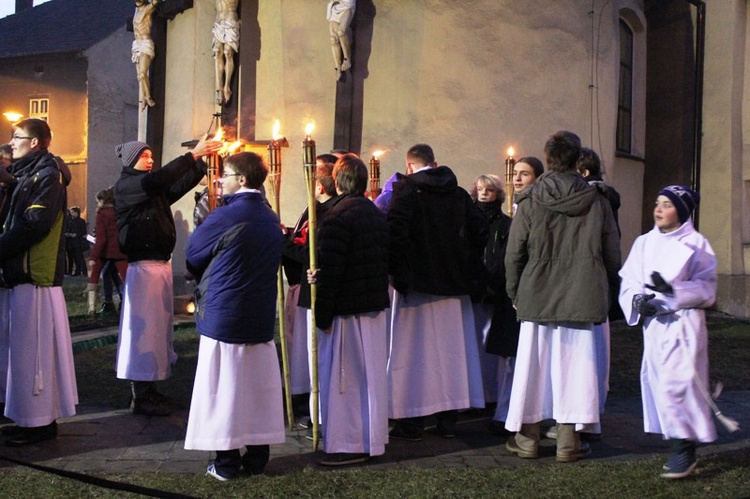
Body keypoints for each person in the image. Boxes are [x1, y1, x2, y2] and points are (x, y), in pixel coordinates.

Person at [503, 131, 620, 463]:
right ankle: (569, 440)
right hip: (582, 291)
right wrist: (607, 289)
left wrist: (514, 291)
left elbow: (514, 254)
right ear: (576, 158)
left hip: (537, 292)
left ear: (548, 157)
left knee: (532, 368)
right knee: (576, 369)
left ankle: (527, 439)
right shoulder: (596, 201)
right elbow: (612, 252)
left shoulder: (530, 201)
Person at [184, 152, 285, 480]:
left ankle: (225, 463)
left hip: (225, 314)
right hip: (258, 317)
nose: (219, 180)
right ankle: (257, 460)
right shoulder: (270, 216)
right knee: (256, 391)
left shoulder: (226, 215)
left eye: (225, 175)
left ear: (241, 180)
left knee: (222, 391)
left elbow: (193, 253)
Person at [114, 136, 222, 417]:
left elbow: (177, 185)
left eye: (151, 155)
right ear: (130, 161)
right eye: (144, 156)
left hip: (159, 268)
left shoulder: (151, 189)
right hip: (143, 271)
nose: (150, 159)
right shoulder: (129, 186)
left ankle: (152, 389)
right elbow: (159, 181)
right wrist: (192, 155)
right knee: (144, 332)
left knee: (158, 332)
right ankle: (141, 394)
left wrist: (200, 163)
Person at [387, 144, 488, 441]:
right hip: (454, 287)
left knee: (414, 354)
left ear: (409, 165)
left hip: (417, 286)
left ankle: (413, 420)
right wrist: (464, 259)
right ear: (435, 163)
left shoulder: (406, 191)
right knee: (452, 354)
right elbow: (480, 229)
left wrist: (399, 272)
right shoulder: (457, 193)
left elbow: (395, 233)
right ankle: (448, 420)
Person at [619, 185, 717, 479]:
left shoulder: (696, 244)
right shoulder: (644, 243)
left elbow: (707, 287)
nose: (658, 209)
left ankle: (683, 449)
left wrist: (674, 292)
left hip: (683, 325)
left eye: (667, 205)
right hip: (656, 328)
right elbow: (630, 280)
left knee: (679, 384)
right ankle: (679, 443)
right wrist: (637, 301)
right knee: (661, 384)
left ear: (682, 211)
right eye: (657, 203)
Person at [306, 154, 390, 466]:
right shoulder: (374, 212)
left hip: (347, 311)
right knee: (369, 378)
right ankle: (372, 437)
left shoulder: (338, 217)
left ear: (338, 181)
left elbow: (337, 268)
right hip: (371, 305)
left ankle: (348, 443)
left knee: (345, 380)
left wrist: (322, 314)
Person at [0, 118, 78, 446]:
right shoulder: (26, 174)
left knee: (34, 359)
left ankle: (40, 423)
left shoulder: (48, 175)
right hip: (19, 277)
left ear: (35, 143)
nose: (11, 141)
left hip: (35, 279)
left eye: (17, 137)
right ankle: (25, 417)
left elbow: (35, 224)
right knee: (19, 356)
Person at [281, 154, 339, 425]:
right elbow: (304, 236)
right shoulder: (313, 206)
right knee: (299, 345)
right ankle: (300, 393)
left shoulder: (329, 211)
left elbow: (312, 251)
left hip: (312, 286)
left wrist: (283, 243)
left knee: (310, 348)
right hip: (299, 285)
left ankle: (308, 399)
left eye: (313, 173)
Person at [469, 174, 519, 433]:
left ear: (498, 193)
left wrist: (492, 280)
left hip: (495, 291)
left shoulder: (506, 224)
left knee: (493, 348)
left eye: (488, 189)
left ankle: (491, 395)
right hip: (474, 290)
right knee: (474, 343)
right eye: (479, 189)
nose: (483, 193)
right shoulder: (469, 220)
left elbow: (505, 257)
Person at [87, 188, 128, 315]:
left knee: (96, 276)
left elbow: (102, 238)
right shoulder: (119, 212)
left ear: (101, 201)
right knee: (116, 275)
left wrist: (93, 256)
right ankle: (125, 300)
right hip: (120, 250)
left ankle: (94, 307)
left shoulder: (102, 215)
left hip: (105, 252)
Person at [132, 0, 160, 111]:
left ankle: (148, 97)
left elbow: (155, 2)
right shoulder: (136, 11)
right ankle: (143, 99)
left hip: (145, 43)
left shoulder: (147, 9)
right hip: (137, 44)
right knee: (139, 77)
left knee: (143, 74)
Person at [213, 0, 240, 105]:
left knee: (228, 52)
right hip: (218, 18)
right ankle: (218, 87)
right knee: (217, 52)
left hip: (230, 16)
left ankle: (227, 86)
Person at [327, 0, 356, 80]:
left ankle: (347, 59)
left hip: (347, 7)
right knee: (333, 39)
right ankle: (338, 67)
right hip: (334, 10)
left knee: (341, 31)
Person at [65, 206, 88, 276]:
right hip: (70, 242)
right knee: (70, 257)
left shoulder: (81, 221)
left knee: (78, 258)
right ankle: (70, 271)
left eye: (72, 212)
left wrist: (76, 234)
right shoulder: (69, 221)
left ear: (76, 213)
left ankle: (81, 271)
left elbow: (83, 232)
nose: (71, 214)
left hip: (78, 242)